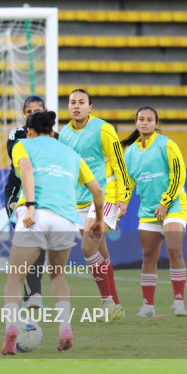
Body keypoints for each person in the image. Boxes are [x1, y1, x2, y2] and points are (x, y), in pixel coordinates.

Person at [2, 110, 104, 355]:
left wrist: (30, 206)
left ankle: (11, 329)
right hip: (65, 219)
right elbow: (97, 191)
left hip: (36, 215)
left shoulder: (22, 145)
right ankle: (65, 329)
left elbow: (26, 169)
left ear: (29, 131)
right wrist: (99, 220)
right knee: (57, 276)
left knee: (15, 277)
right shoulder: (71, 153)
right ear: (51, 131)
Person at [59, 89, 130, 319]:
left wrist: (123, 198)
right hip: (78, 199)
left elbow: (120, 165)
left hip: (105, 194)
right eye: (72, 102)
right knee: (100, 251)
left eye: (81, 102)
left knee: (87, 247)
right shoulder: (64, 134)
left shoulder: (104, 129)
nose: (76, 106)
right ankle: (116, 306)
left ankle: (106, 302)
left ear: (90, 107)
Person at [121, 107, 187, 318]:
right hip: (148, 209)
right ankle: (148, 307)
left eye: (149, 119)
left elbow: (179, 175)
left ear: (156, 123)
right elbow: (127, 184)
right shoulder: (130, 152)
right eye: (141, 119)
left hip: (173, 205)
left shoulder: (167, 144)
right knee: (148, 256)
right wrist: (121, 204)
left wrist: (166, 202)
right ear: (136, 122)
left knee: (174, 249)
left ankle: (179, 302)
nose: (145, 122)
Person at [4, 95, 59, 310]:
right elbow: (20, 160)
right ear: (24, 114)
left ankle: (31, 296)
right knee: (27, 241)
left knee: (38, 243)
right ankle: (32, 295)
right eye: (29, 111)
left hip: (42, 192)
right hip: (18, 192)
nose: (33, 114)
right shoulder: (17, 135)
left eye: (37, 111)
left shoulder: (56, 136)